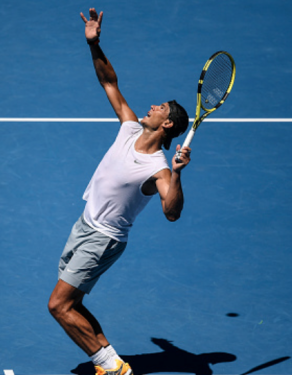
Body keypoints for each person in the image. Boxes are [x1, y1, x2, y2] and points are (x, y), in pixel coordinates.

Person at [48, 8, 192, 375]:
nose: (152, 106)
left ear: (168, 124)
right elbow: (109, 83)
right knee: (73, 303)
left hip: (105, 238)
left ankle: (111, 366)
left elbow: (171, 212)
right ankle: (109, 361)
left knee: (59, 305)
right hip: (85, 224)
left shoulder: (157, 168)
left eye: (160, 107)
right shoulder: (129, 128)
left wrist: (175, 175)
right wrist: (95, 44)